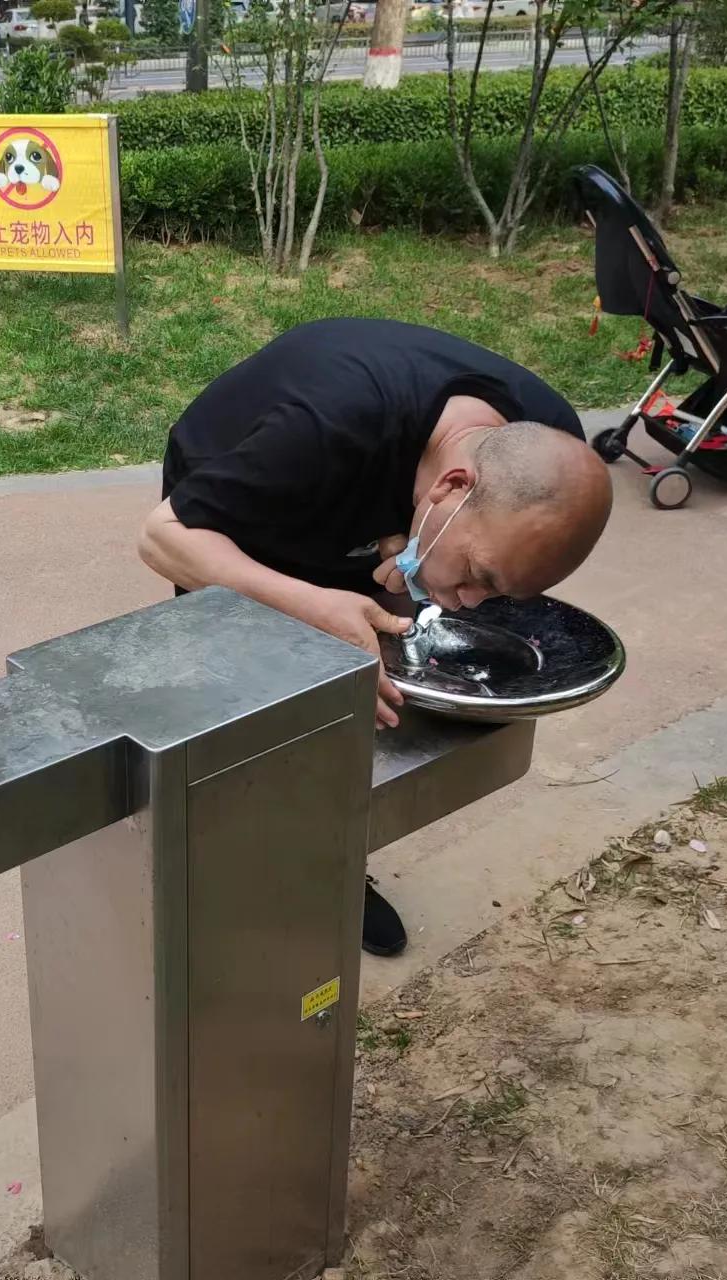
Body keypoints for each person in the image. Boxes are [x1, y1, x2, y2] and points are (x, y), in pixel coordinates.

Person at [138, 318, 612, 957]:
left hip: (371, 490)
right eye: (477, 577)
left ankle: (327, 869)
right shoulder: (326, 425)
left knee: (351, 710)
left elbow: (450, 544)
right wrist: (314, 604)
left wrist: (398, 540)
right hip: (239, 517)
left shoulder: (547, 449)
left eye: (499, 594)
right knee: (247, 701)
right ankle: (222, 881)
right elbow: (163, 540)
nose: (472, 603)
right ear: (452, 487)